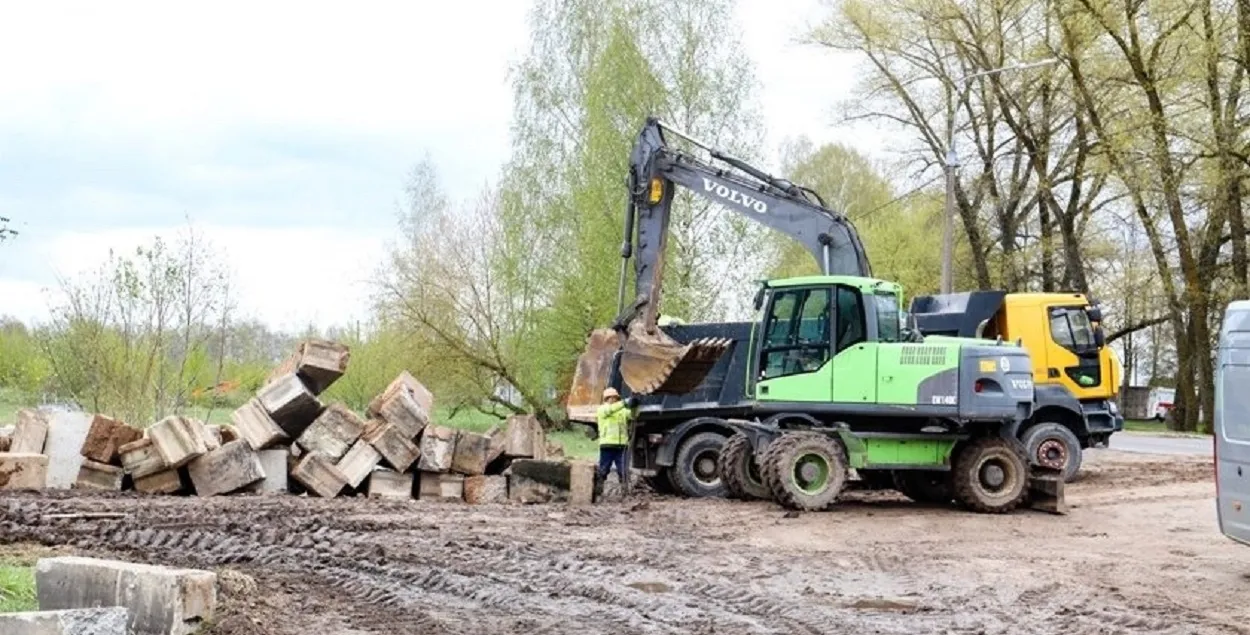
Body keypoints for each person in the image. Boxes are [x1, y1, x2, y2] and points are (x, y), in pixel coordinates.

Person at [596, 387, 638, 497]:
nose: (613, 400)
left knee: (623, 470)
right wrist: (625, 402)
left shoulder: (623, 411)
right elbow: (611, 410)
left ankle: (625, 492)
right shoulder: (602, 410)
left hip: (621, 446)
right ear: (606, 399)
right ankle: (598, 489)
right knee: (603, 469)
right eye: (610, 398)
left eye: (614, 398)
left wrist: (635, 406)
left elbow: (633, 416)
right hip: (607, 445)